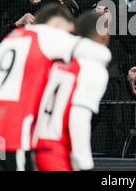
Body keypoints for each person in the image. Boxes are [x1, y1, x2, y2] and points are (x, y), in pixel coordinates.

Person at [0, 4, 111, 171]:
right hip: (6, 136)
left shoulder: (11, 39)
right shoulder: (46, 36)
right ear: (58, 25)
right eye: (68, 32)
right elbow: (93, 50)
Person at [33, 12, 110, 171]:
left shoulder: (59, 63)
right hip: (57, 150)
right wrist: (84, 163)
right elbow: (78, 116)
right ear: (102, 35)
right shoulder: (92, 69)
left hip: (33, 144)